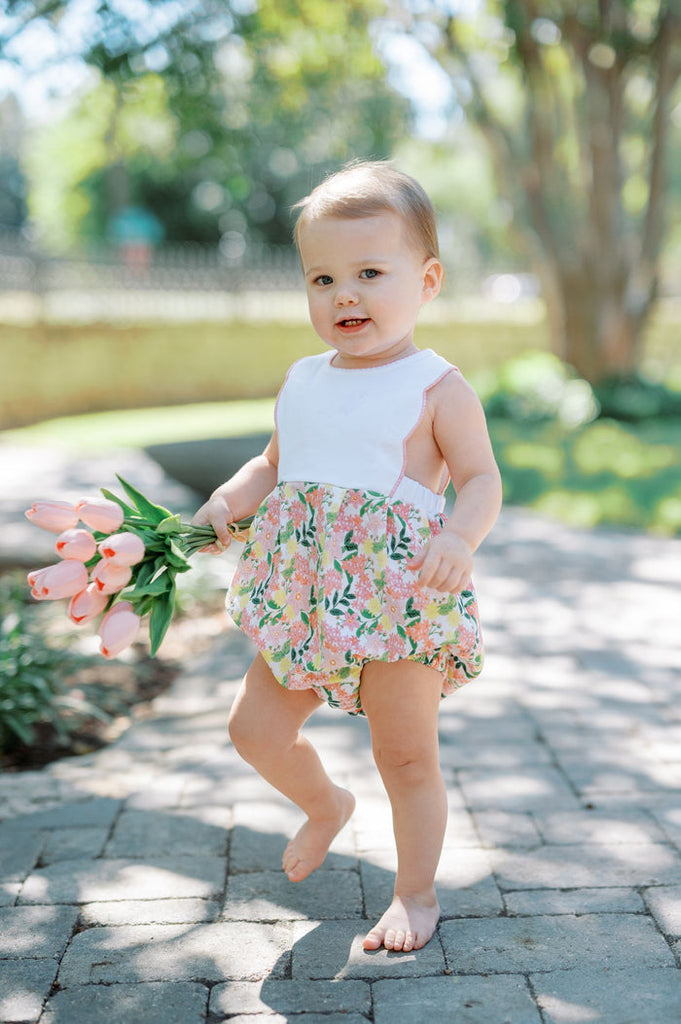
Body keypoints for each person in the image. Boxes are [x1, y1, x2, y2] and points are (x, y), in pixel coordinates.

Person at [192, 161, 502, 953]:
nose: (343, 295)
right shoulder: (302, 380)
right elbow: (272, 464)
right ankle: (325, 805)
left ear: (426, 282)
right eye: (322, 278)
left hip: (398, 597)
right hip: (304, 597)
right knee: (254, 729)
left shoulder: (435, 386)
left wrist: (458, 537)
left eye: (369, 273)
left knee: (404, 755)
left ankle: (414, 893)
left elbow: (479, 479)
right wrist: (231, 496)